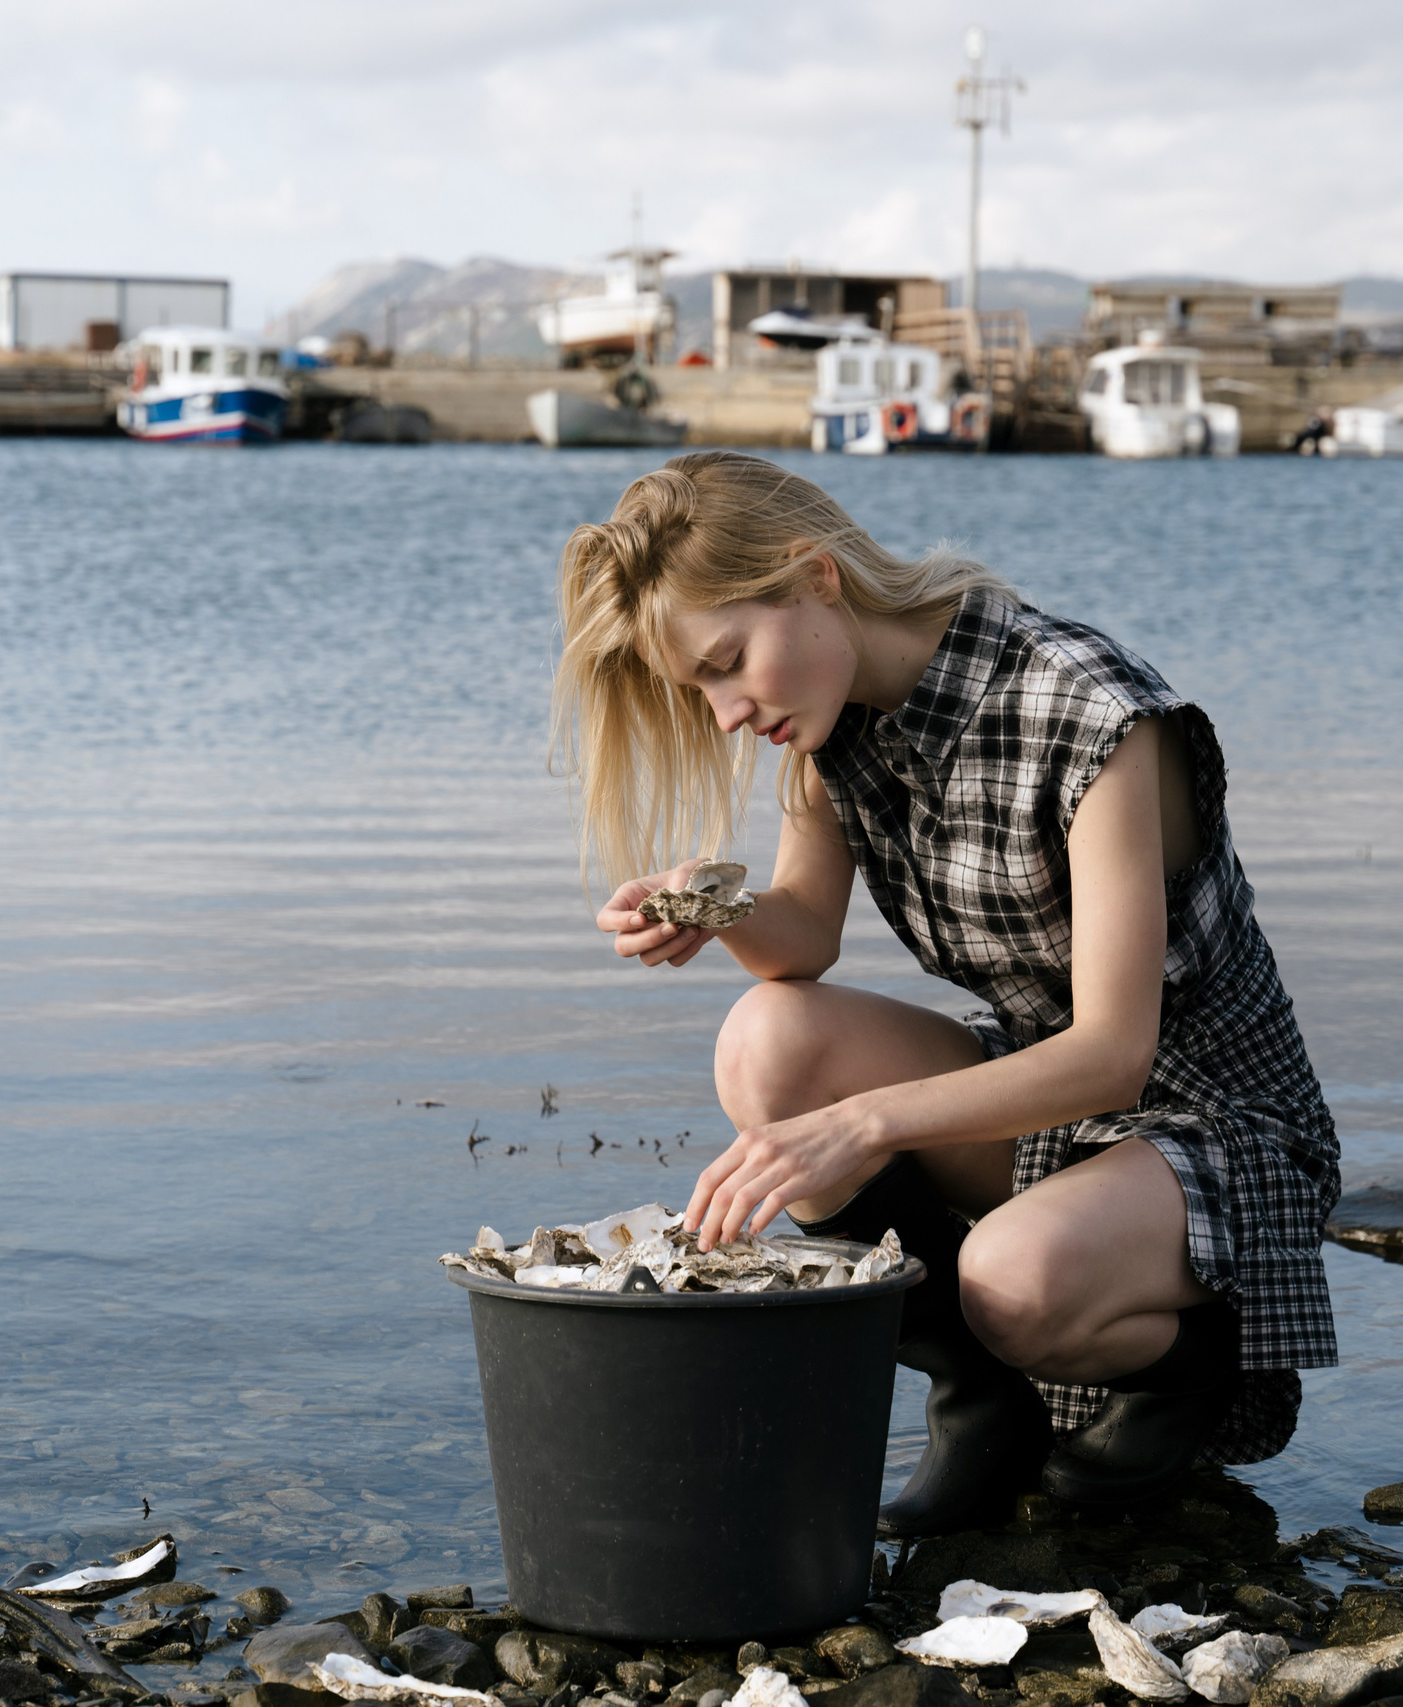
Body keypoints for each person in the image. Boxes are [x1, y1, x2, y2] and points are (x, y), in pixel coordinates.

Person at [554, 452, 1339, 1534]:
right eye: (701, 689)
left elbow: (1114, 1052)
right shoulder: (832, 724)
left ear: (814, 577)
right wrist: (710, 906)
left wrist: (858, 1126)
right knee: (766, 1042)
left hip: (1216, 1115)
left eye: (728, 662)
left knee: (1008, 1275)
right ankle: (981, 1392)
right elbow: (805, 941)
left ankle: (1192, 1371)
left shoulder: (1090, 712)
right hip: (1044, 1099)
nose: (727, 712)